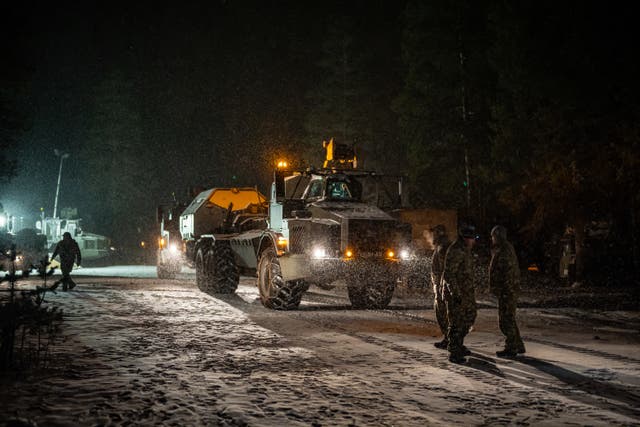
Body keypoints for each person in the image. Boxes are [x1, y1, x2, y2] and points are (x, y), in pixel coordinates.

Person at [442, 223, 477, 364]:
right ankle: (454, 351)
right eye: (471, 238)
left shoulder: (465, 250)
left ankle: (459, 345)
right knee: (457, 322)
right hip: (457, 294)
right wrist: (455, 293)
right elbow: (449, 274)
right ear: (465, 238)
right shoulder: (456, 250)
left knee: (469, 317)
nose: (473, 241)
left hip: (466, 293)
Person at [489, 225, 526, 357]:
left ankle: (511, 347)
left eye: (493, 236)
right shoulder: (504, 248)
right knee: (509, 318)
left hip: (507, 291)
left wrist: (501, 289)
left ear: (498, 236)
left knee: (505, 320)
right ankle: (518, 344)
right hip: (508, 290)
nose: (492, 239)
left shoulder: (504, 250)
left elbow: (506, 273)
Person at [430, 225, 450, 350]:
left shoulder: (443, 247)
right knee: (442, 313)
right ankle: (449, 338)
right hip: (440, 285)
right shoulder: (440, 246)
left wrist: (440, 285)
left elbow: (444, 269)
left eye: (434, 233)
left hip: (442, 286)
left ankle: (449, 339)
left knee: (442, 313)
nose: (432, 236)